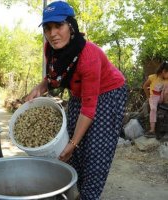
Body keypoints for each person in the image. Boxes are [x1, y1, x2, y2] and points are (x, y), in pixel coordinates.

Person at [25, 1, 127, 199]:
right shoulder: (50, 48)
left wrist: (73, 143)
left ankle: (89, 195)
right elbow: (54, 77)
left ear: (71, 26)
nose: (53, 33)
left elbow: (89, 110)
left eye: (58, 26)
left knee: (96, 149)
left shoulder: (89, 55)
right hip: (79, 92)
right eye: (48, 28)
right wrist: (40, 87)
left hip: (109, 92)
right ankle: (76, 187)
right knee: (70, 143)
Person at [143, 61, 168, 138]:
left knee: (167, 86)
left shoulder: (166, 80)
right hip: (153, 97)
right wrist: (148, 97)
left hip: (162, 98)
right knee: (153, 109)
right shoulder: (153, 77)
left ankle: (166, 103)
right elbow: (145, 86)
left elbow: (166, 92)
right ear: (164, 71)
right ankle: (152, 130)